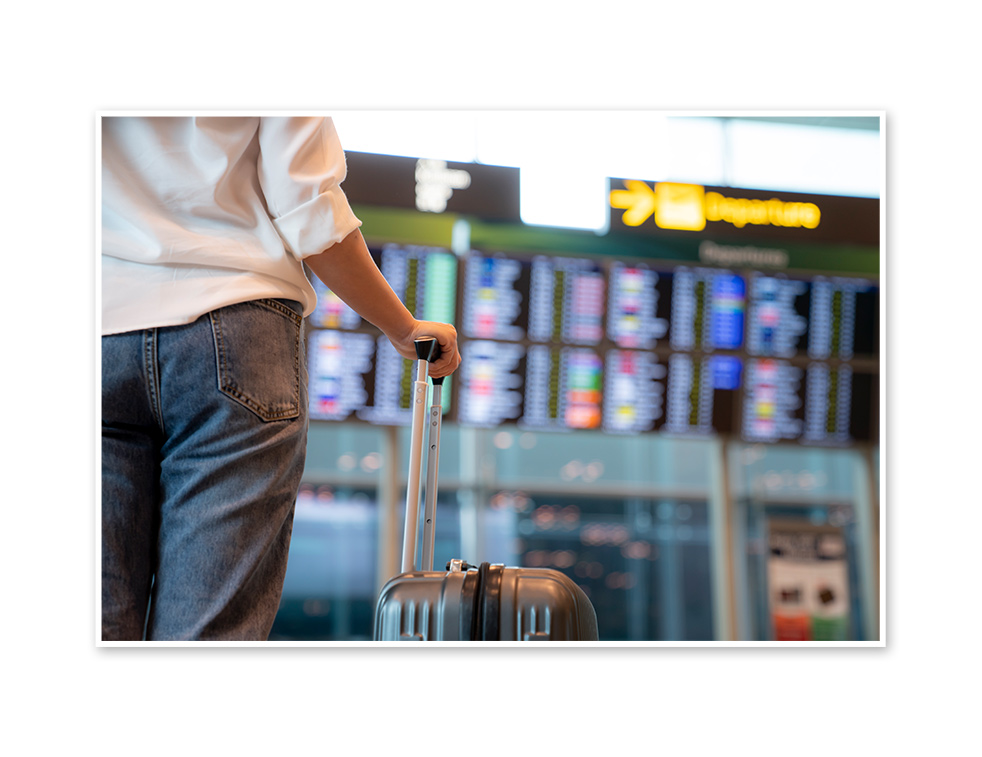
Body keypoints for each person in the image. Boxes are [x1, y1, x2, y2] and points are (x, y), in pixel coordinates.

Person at [101, 116, 460, 641]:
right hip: (235, 322)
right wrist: (401, 328)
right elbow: (309, 209)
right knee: (209, 634)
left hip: (96, 324)